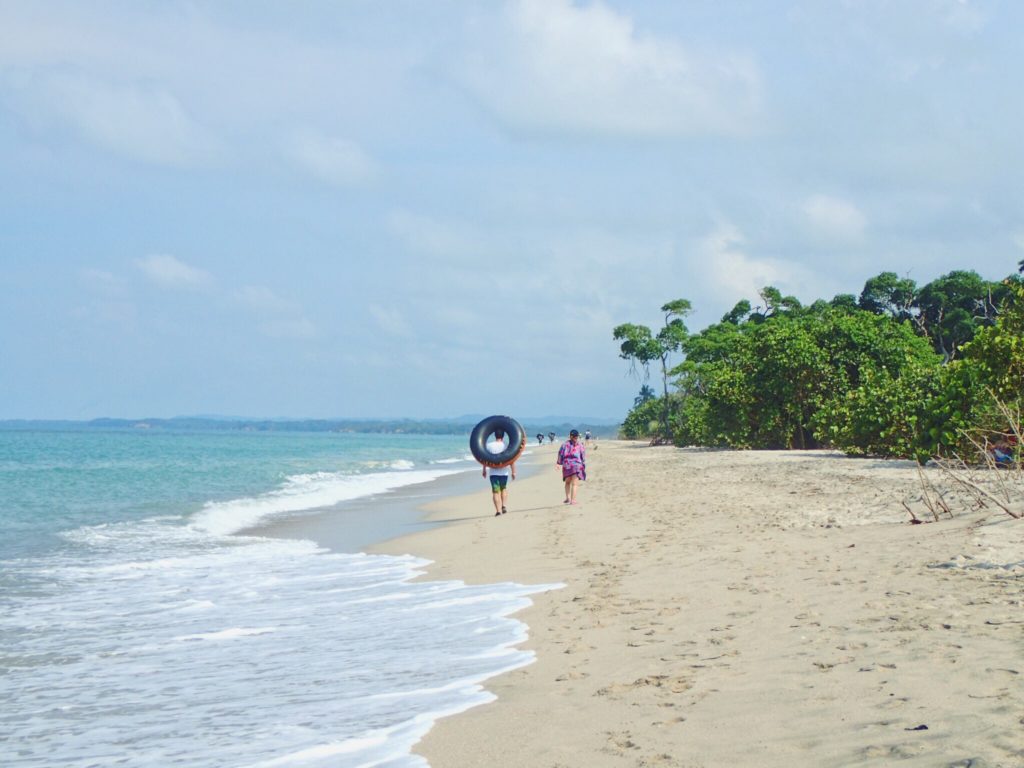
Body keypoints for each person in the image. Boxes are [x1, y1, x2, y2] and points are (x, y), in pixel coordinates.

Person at [482, 428, 516, 516]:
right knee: (503, 488)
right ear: (503, 436)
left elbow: (485, 458)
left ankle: (498, 511)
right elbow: (511, 459)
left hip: (493, 473)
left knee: (495, 492)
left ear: (494, 435)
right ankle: (504, 506)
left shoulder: (489, 445)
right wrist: (513, 471)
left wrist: (484, 470)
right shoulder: (506, 445)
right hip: (504, 473)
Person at [557, 429, 586, 505]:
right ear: (577, 436)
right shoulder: (580, 445)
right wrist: (582, 463)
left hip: (567, 466)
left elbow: (560, 454)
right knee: (575, 484)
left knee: (567, 482)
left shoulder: (564, 444)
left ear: (570, 436)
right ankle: (573, 500)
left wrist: (558, 463)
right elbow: (583, 455)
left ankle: (568, 498)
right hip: (576, 465)